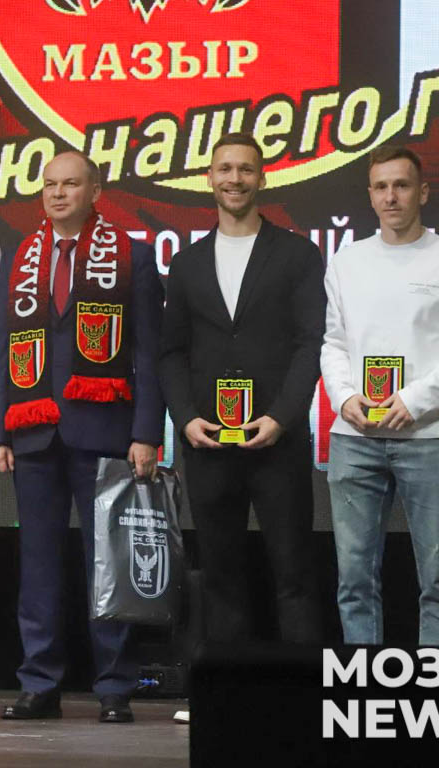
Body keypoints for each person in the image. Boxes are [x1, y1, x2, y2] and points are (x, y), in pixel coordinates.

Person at [0, 150, 164, 723]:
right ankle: (40, 683)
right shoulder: (20, 257)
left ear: (95, 191)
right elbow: (0, 348)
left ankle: (114, 687)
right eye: (50, 185)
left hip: (107, 432)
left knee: (108, 565)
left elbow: (149, 353)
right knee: (38, 566)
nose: (58, 194)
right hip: (34, 432)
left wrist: (146, 432)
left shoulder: (131, 256)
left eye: (70, 184)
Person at [159, 132, 325, 650]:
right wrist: (186, 418)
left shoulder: (298, 254)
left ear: (262, 178)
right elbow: (171, 351)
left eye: (246, 169)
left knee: (294, 573)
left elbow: (311, 343)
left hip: (278, 441)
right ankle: (228, 687)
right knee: (220, 575)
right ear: (209, 178)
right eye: (225, 169)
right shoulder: (186, 263)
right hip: (207, 442)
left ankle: (301, 687)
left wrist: (282, 417)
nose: (235, 179)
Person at [321, 145, 439, 645]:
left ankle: (435, 686)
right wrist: (343, 397)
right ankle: (363, 682)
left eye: (401, 185)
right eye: (381, 187)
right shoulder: (347, 262)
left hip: (429, 437)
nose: (391, 196)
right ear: (370, 195)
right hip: (354, 437)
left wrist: (412, 401)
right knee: (353, 581)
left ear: (423, 192)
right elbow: (333, 342)